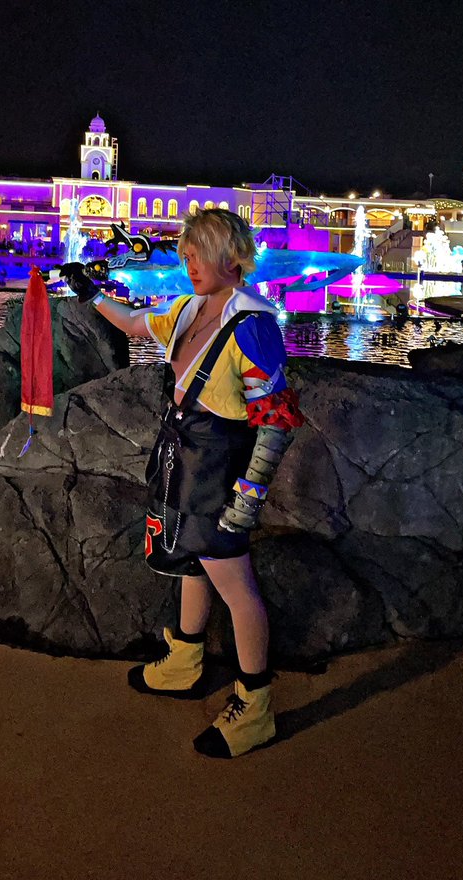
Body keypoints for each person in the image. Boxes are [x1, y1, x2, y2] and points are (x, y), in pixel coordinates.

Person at [62, 207, 303, 758]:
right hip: (182, 455)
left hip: (218, 465)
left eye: (198, 255)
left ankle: (255, 705)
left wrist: (248, 496)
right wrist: (90, 293)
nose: (188, 264)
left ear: (230, 257)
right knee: (191, 559)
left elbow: (275, 422)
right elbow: (132, 324)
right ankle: (186, 661)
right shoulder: (189, 308)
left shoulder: (254, 324)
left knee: (236, 587)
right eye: (186, 255)